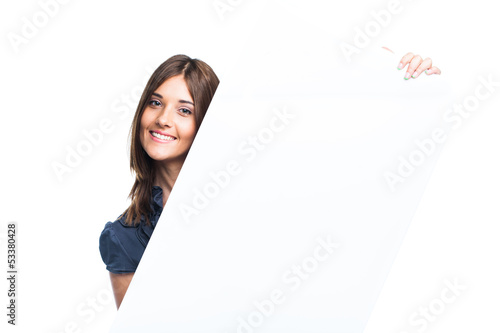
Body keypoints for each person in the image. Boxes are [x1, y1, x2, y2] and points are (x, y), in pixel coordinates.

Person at [99, 51, 441, 309]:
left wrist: (404, 77)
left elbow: (351, 165)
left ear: (208, 120)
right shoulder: (124, 238)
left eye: (184, 110)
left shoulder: (259, 183)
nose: (162, 119)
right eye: (155, 103)